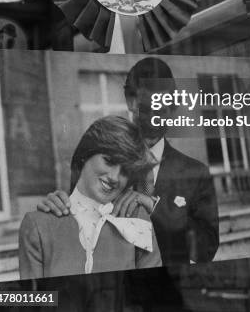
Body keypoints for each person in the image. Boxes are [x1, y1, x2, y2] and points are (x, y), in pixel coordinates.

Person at [38, 58, 219, 266]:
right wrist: (57, 207)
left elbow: (206, 250)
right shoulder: (100, 166)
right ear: (131, 102)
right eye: (149, 106)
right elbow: (77, 223)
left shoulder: (196, 173)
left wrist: (155, 208)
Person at [20, 115, 161, 279]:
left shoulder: (137, 219)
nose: (114, 177)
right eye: (109, 161)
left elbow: (153, 294)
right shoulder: (38, 225)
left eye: (125, 171)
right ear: (85, 155)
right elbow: (32, 300)